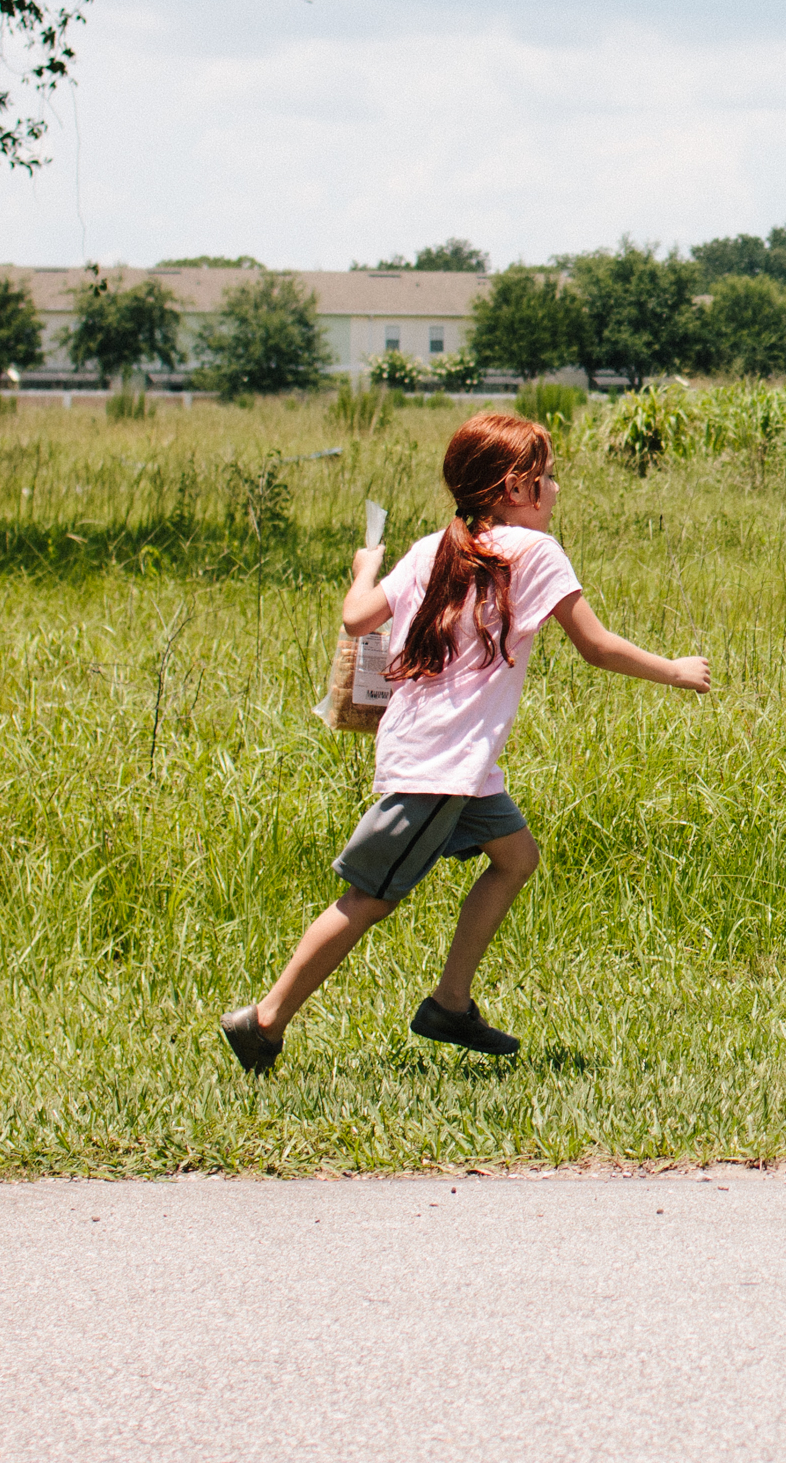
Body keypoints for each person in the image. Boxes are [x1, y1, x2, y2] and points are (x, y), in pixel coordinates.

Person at [220, 411, 711, 1073]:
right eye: (548, 476)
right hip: (440, 767)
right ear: (515, 487)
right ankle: (266, 1020)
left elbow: (357, 615)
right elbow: (596, 647)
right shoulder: (535, 550)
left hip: (452, 759)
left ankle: (449, 1003)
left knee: (515, 857)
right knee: (369, 897)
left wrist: (365, 568)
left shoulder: (433, 546)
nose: (556, 488)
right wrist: (674, 670)